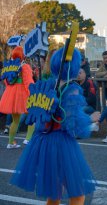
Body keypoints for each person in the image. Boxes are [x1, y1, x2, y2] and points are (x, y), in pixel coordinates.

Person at [10, 47, 96, 205]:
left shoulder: (47, 85)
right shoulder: (72, 89)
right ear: (74, 66)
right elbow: (74, 125)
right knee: (78, 193)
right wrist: (91, 120)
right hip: (61, 143)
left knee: (54, 192)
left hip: (42, 141)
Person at [0, 46, 35, 148]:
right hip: (23, 95)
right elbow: (28, 83)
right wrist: (33, 93)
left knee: (15, 121)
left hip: (11, 94)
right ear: (23, 55)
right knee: (32, 116)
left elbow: (6, 82)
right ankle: (27, 140)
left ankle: (10, 143)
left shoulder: (8, 67)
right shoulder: (25, 66)